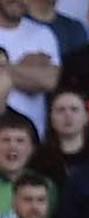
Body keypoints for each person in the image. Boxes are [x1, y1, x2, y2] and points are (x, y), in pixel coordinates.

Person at [0, 0, 60, 139]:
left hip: (32, 142)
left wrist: (4, 70)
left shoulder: (42, 34)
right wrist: (27, 69)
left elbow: (48, 81)